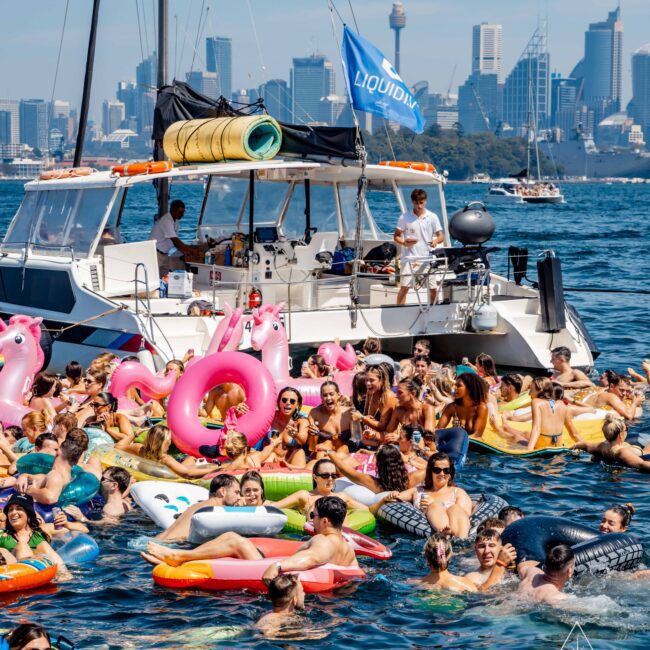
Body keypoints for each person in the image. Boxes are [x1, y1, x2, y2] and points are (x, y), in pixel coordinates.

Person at [143, 496, 358, 578]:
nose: (312, 519)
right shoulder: (346, 546)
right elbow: (356, 571)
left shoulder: (323, 540)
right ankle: (182, 557)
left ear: (326, 522)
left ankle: (179, 556)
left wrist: (279, 567)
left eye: (314, 516)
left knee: (233, 539)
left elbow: (312, 558)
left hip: (264, 570)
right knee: (234, 541)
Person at [394, 453, 472, 538]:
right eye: (437, 470)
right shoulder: (418, 491)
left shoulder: (458, 492)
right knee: (434, 506)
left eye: (446, 470)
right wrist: (392, 494)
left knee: (454, 508)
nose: (442, 473)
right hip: (424, 536)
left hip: (457, 532)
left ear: (450, 473)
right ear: (430, 472)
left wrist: (435, 503)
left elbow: (464, 516)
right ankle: (444, 533)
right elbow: (396, 498)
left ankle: (457, 540)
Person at [410, 532, 515, 593]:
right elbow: (482, 595)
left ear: (426, 558)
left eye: (491, 545)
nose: (487, 551)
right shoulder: (466, 583)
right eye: (482, 546)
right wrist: (501, 564)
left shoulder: (411, 582)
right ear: (450, 557)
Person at [152, 474, 242, 542]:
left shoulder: (198, 506)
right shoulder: (214, 510)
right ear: (222, 491)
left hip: (154, 541)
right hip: (171, 545)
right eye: (236, 492)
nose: (239, 497)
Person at [393, 188, 443, 306]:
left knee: (432, 289)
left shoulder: (432, 217)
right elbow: (396, 236)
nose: (419, 206)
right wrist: (404, 243)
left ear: (425, 201)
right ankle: (399, 310)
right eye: (416, 203)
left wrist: (436, 241)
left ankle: (434, 311)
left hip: (427, 258)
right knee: (404, 287)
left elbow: (441, 236)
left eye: (421, 202)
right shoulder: (404, 217)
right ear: (412, 202)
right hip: (410, 258)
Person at [273, 459, 368, 519]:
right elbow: (275, 506)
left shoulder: (342, 497)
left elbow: (367, 510)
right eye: (325, 475)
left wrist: (382, 501)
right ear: (315, 477)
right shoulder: (305, 496)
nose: (330, 479)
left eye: (334, 475)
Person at [115, 424, 221, 479]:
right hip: (169, 476)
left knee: (191, 459)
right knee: (194, 458)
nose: (170, 442)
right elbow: (187, 474)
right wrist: (218, 468)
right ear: (164, 442)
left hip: (148, 473)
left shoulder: (139, 449)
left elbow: (118, 446)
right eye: (169, 439)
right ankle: (215, 464)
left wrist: (135, 434)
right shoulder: (165, 459)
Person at [326, 444, 424, 494]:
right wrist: (409, 460)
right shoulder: (414, 478)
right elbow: (433, 467)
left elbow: (343, 469)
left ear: (378, 464)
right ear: (400, 462)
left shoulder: (374, 483)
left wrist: (330, 452)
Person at [15, 438, 85, 505]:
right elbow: (43, 478)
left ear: (58, 452)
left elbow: (50, 498)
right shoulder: (70, 477)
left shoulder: (55, 475)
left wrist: (32, 491)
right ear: (76, 461)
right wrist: (24, 476)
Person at [0, 493, 63, 566]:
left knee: (43, 545)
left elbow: (75, 533)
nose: (13, 512)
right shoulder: (2, 535)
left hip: (45, 572)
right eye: (10, 509)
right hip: (14, 572)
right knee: (21, 546)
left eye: (19, 508)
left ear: (28, 513)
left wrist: (68, 523)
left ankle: (64, 575)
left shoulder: (43, 530)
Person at [573, 413, 650, 471]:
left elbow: (586, 446)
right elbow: (641, 464)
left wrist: (575, 446)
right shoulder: (621, 451)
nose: (627, 431)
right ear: (620, 435)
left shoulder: (603, 446)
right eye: (626, 429)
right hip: (644, 454)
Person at [523, 377, 582, 451]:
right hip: (557, 446)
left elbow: (536, 429)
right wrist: (586, 447)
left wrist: (528, 450)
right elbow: (574, 433)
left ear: (540, 390)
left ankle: (505, 429)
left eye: (531, 390)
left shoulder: (536, 402)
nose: (529, 394)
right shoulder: (562, 404)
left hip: (542, 447)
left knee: (516, 437)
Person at [149, 199, 204, 277]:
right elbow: (175, 241)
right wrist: (192, 251)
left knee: (165, 278)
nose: (182, 215)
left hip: (164, 253)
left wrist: (186, 252)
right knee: (155, 278)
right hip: (155, 254)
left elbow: (175, 241)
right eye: (180, 212)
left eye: (183, 212)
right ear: (173, 210)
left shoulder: (176, 220)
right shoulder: (166, 221)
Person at [351, 365, 397, 449]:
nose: (368, 383)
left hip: (389, 438)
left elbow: (382, 426)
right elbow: (368, 418)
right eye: (366, 380)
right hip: (376, 435)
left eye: (372, 380)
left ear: (382, 380)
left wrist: (362, 418)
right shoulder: (371, 393)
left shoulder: (388, 396)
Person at [436, 372, 489, 438]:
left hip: (472, 444)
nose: (454, 388)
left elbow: (477, 435)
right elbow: (438, 429)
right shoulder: (452, 407)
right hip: (455, 443)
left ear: (470, 388)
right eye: (455, 385)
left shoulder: (481, 408)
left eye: (459, 386)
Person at [307, 382, 352, 455]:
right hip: (322, 451)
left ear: (338, 395)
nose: (328, 398)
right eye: (325, 395)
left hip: (344, 452)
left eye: (331, 394)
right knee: (321, 451)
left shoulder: (349, 413)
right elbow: (311, 446)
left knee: (343, 449)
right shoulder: (314, 414)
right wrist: (311, 434)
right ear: (321, 397)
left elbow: (358, 440)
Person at [267, 387, 309, 467]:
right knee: (270, 454)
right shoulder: (270, 417)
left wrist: (296, 435)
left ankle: (293, 471)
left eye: (292, 401)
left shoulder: (301, 421)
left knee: (300, 451)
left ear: (297, 404)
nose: (288, 403)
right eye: (284, 400)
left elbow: (303, 440)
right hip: (272, 457)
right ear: (279, 402)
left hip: (290, 460)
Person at [385, 379, 436, 444]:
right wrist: (373, 434)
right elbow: (387, 433)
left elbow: (429, 440)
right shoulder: (399, 410)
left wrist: (400, 439)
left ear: (413, 393)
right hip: (406, 448)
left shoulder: (427, 409)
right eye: (396, 392)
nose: (396, 396)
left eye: (400, 392)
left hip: (424, 450)